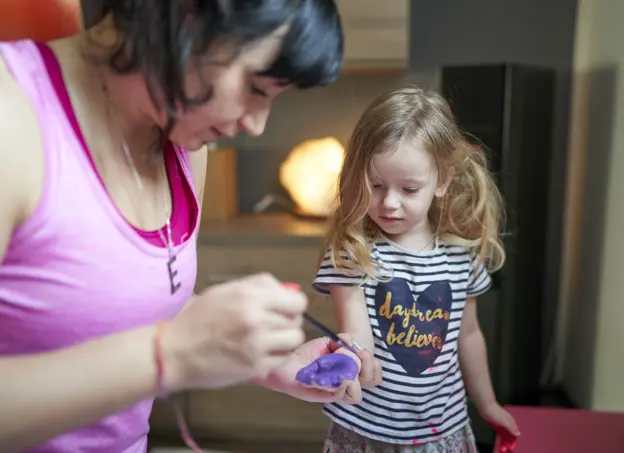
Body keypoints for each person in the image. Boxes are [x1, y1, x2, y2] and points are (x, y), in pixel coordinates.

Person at [0, 1, 363, 452]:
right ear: (188, 15)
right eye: (255, 86)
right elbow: (161, 345)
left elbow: (135, 305)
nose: (256, 123)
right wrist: (167, 356)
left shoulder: (182, 140)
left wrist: (264, 359)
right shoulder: (11, 121)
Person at [313, 87, 521, 453]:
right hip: (367, 430)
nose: (388, 203)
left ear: (442, 180)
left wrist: (487, 404)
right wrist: (357, 358)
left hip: (442, 429)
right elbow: (355, 330)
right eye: (375, 185)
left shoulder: (461, 257)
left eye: (409, 189)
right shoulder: (352, 252)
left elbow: (469, 336)